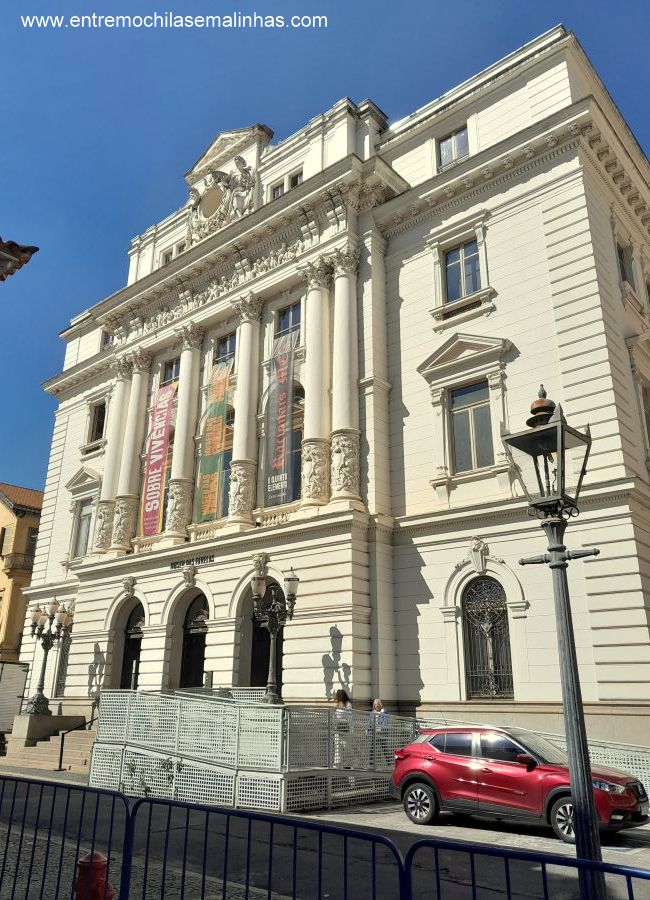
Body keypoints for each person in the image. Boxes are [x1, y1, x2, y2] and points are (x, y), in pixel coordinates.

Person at [367, 698, 391, 768]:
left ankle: (389, 764)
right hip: (374, 733)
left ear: (380, 705)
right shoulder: (372, 712)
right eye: (375, 706)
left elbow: (385, 723)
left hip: (382, 733)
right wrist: (368, 730)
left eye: (377, 706)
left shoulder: (384, 712)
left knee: (385, 748)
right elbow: (370, 723)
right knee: (372, 749)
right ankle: (371, 764)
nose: (376, 707)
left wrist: (379, 728)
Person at [333, 689, 352, 767]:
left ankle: (347, 764)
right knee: (337, 747)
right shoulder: (338, 704)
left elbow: (349, 716)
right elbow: (336, 716)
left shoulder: (348, 704)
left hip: (345, 729)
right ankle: (337, 764)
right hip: (338, 728)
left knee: (346, 747)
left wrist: (342, 710)